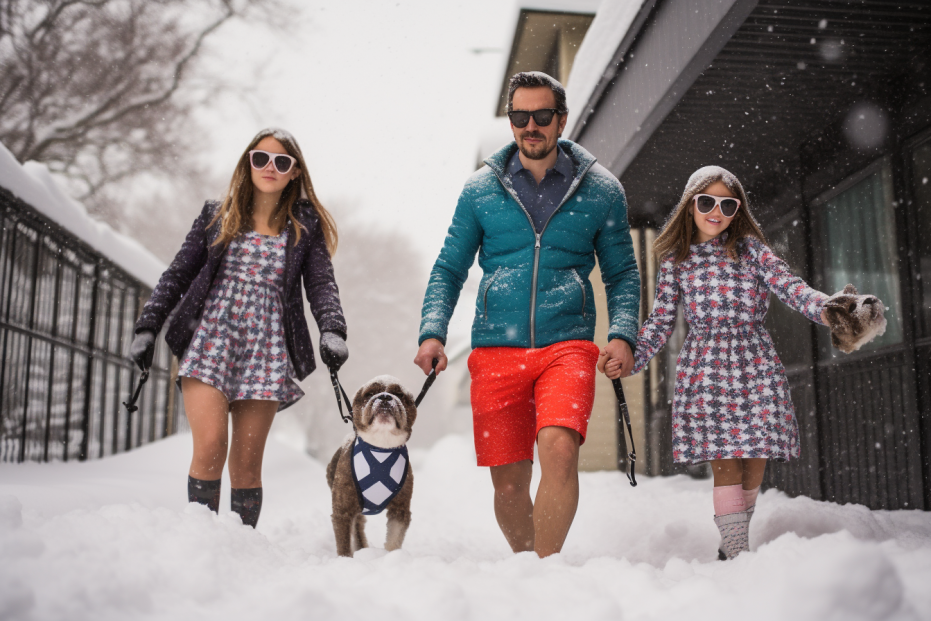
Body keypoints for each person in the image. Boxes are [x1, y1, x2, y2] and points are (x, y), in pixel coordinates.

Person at [414, 72, 641, 557]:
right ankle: (527, 569)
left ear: (562, 119)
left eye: (542, 116)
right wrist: (432, 332)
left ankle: (546, 573)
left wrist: (622, 333)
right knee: (510, 487)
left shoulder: (602, 191)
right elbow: (449, 268)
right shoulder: (480, 190)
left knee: (559, 450)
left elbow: (623, 273)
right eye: (520, 116)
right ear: (511, 120)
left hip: (568, 344)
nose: (531, 126)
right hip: (496, 347)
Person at [601, 165, 834, 559]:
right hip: (706, 368)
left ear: (738, 210)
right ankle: (738, 554)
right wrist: (633, 358)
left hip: (755, 363)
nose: (716, 211)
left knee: (754, 460)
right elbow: (660, 321)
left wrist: (830, 310)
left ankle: (731, 544)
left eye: (728, 204)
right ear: (690, 205)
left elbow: (791, 288)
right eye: (707, 201)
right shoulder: (677, 260)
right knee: (726, 462)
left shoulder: (754, 251)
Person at [129, 128, 348, 528]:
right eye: (260, 158)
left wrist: (332, 329)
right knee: (211, 446)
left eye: (281, 162)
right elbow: (177, 275)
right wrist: (148, 327)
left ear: (294, 172)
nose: (270, 167)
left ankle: (240, 549)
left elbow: (320, 283)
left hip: (266, 348)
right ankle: (202, 541)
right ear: (247, 162)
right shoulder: (217, 215)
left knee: (246, 467)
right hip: (211, 338)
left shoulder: (304, 225)